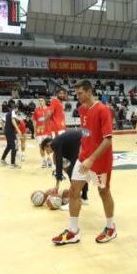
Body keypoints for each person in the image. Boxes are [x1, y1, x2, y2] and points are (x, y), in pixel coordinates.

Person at [51, 79, 116, 246]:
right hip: (84, 158)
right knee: (74, 190)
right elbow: (86, 132)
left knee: (104, 192)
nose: (77, 96)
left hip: (100, 160)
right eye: (76, 93)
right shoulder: (81, 109)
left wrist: (92, 158)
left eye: (80, 93)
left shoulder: (103, 110)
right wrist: (81, 149)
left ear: (89, 92)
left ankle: (110, 228)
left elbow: (107, 139)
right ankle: (73, 231)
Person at [39, 131, 88, 206]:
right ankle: (84, 197)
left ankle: (75, 200)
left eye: (46, 150)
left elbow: (59, 163)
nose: (48, 152)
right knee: (78, 171)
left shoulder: (55, 144)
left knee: (73, 172)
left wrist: (57, 185)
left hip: (84, 139)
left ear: (47, 146)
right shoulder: (59, 143)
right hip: (81, 142)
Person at [0, 101, 22, 169]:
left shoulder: (7, 114)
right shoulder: (13, 112)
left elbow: (1, 122)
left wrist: (4, 129)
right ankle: (13, 164)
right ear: (16, 108)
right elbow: (13, 120)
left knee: (9, 146)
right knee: (15, 147)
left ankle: (2, 159)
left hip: (7, 131)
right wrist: (18, 129)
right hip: (11, 132)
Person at [33, 98, 52, 168]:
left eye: (42, 100)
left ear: (45, 101)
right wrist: (34, 131)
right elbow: (34, 121)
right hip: (39, 132)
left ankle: (49, 159)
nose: (40, 102)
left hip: (48, 131)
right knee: (41, 147)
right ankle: (43, 160)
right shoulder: (36, 110)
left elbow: (52, 120)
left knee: (48, 146)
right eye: (39, 101)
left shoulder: (49, 109)